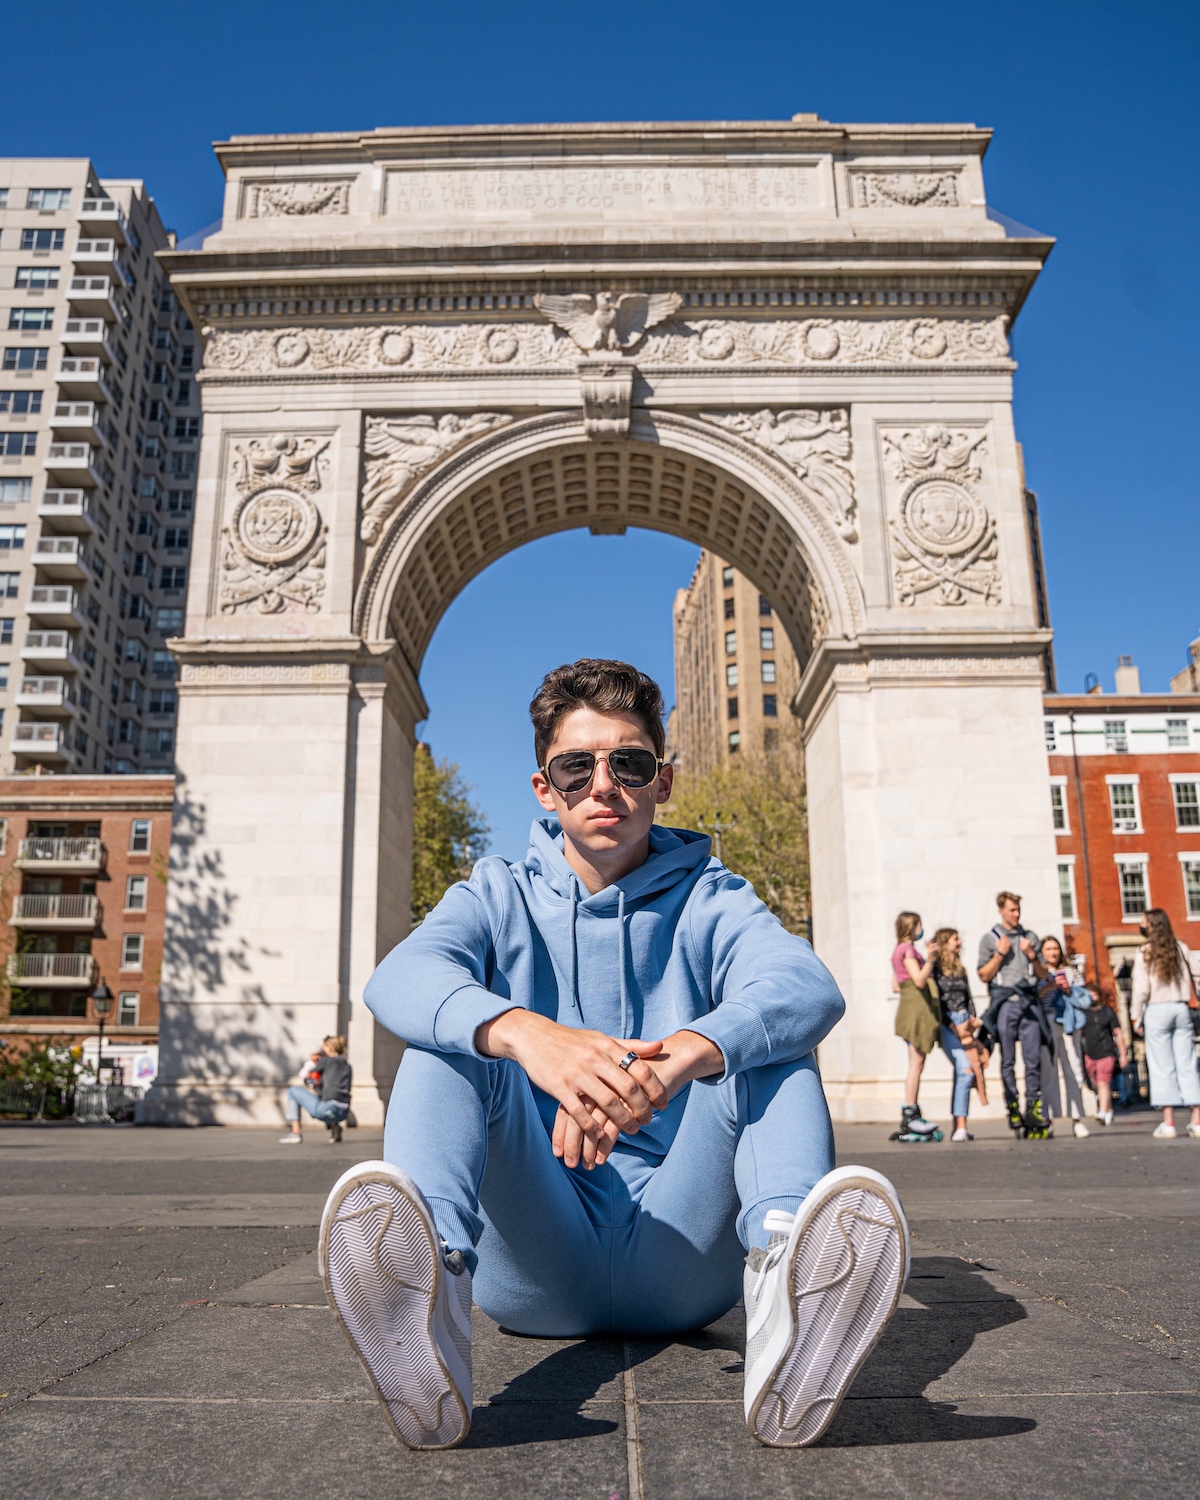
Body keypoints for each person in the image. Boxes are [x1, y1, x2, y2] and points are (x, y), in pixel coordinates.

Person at [318, 659, 909, 1452]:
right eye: (577, 767)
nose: (604, 786)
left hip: (685, 1258)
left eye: (628, 763)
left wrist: (680, 1060)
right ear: (543, 787)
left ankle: (788, 1288)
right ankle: (430, 1302)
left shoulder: (714, 895)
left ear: (662, 782)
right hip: (532, 1264)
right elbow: (398, 979)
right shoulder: (494, 893)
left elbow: (807, 986)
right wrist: (535, 1040)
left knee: (766, 1040)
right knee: (449, 1037)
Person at [978, 891, 1051, 1139]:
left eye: (1018, 909)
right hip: (1005, 1003)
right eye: (1011, 910)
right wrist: (999, 954)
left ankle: (1033, 1108)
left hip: (1028, 1001)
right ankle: (1013, 1107)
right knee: (1007, 1059)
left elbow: (1043, 973)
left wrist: (1032, 955)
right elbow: (984, 975)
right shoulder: (990, 939)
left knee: (1033, 1059)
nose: (1016, 914)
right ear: (1001, 910)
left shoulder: (1030, 938)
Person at [1131, 908, 1200, 1140]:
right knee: (1187, 1063)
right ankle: (1196, 1120)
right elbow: (1197, 974)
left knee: (1162, 1066)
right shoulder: (1180, 947)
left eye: (1142, 922)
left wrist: (1136, 1014)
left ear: (1151, 926)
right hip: (1181, 1007)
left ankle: (1169, 1122)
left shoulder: (1145, 951)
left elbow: (1140, 988)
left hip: (1157, 1009)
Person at [928, 927, 988, 1142]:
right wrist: (953, 1026)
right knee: (965, 1070)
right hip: (948, 1025)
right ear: (945, 943)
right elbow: (937, 1002)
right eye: (955, 939)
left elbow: (968, 997)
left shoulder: (961, 969)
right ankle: (961, 1127)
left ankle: (959, 1126)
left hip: (965, 1023)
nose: (959, 942)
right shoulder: (935, 969)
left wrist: (973, 1019)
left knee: (966, 1070)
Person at [889, 912, 943, 1142]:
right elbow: (919, 980)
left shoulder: (897, 951)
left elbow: (895, 985)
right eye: (919, 925)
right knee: (916, 1062)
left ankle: (911, 1111)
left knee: (916, 1062)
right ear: (911, 927)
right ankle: (910, 1112)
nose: (921, 929)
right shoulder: (907, 950)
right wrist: (930, 959)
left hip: (910, 1006)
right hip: (915, 1009)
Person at [1036, 936, 1091, 1139]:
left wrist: (1068, 989)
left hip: (1069, 1024)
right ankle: (1048, 1119)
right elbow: (1035, 997)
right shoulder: (1039, 972)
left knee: (1074, 1070)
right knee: (1048, 1073)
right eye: (1048, 949)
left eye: (1055, 948)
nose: (1052, 953)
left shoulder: (1072, 972)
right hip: (1048, 1023)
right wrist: (1050, 986)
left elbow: (1084, 998)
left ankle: (1077, 1120)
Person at [280, 1035, 352, 1144]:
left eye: (324, 1047)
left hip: (327, 1109)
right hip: (343, 1112)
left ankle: (295, 1132)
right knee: (330, 1096)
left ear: (330, 1048)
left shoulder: (326, 1061)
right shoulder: (347, 1066)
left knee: (293, 1091)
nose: (322, 1050)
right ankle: (335, 1127)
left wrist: (308, 1077)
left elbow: (308, 1076)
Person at [1080, 990, 1129, 1127]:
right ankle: (1108, 1109)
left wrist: (1123, 1054)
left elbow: (1118, 1034)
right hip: (1090, 1054)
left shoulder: (1108, 1012)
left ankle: (1102, 1111)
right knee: (1097, 1085)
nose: (1092, 997)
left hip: (1106, 1053)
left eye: (1095, 994)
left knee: (1103, 1083)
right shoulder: (1084, 1014)